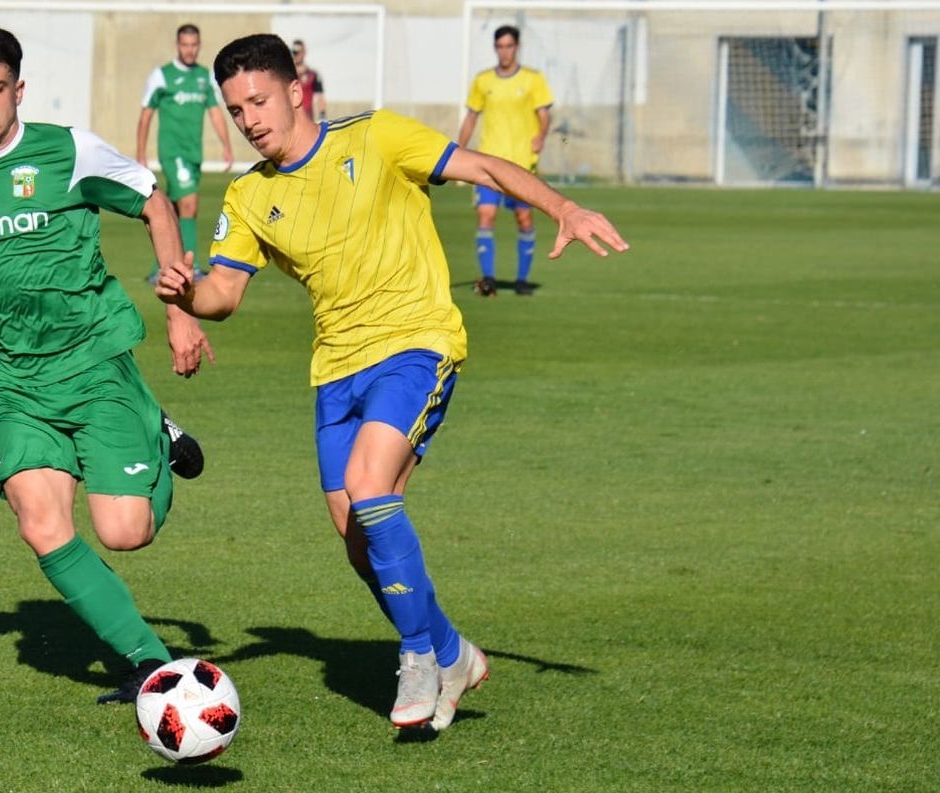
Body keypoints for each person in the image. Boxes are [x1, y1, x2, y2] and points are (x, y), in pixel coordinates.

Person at [156, 34, 626, 731]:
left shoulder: (377, 137)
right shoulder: (251, 193)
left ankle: (416, 655)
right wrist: (188, 295)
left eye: (258, 100)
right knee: (355, 533)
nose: (249, 117)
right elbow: (224, 290)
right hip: (336, 368)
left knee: (373, 490)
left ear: (295, 89)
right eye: (234, 108)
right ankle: (450, 649)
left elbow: (483, 165)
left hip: (416, 342)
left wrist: (563, 207)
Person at [0, 26, 216, 705]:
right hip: (17, 378)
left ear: (18, 90)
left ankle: (154, 431)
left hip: (95, 361)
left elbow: (152, 201)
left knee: (123, 531)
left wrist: (180, 307)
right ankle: (149, 664)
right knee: (40, 521)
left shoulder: (67, 149)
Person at [457, 25, 554, 297]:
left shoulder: (533, 79)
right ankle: (488, 279)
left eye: (509, 46)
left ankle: (522, 280)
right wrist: (460, 150)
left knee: (524, 218)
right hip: (488, 165)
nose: (504, 51)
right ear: (495, 48)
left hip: (522, 164)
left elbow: (544, 115)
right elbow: (471, 117)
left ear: (517, 47)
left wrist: (541, 136)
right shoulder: (483, 81)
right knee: (486, 215)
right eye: (500, 46)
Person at [136, 23, 236, 285]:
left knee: (173, 209)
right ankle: (193, 268)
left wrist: (226, 144)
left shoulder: (205, 77)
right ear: (177, 45)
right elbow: (146, 114)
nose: (189, 50)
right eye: (185, 45)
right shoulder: (162, 75)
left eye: (194, 45)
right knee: (190, 204)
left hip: (194, 153)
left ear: (199, 45)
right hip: (172, 152)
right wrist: (140, 152)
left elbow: (215, 112)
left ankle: (161, 266)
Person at [291, 39, 326, 122]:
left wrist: (322, 116)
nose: (296, 55)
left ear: (304, 52)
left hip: (308, 119)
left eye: (298, 52)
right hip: (292, 119)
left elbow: (320, 96)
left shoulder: (313, 75)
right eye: (294, 52)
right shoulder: (288, 74)